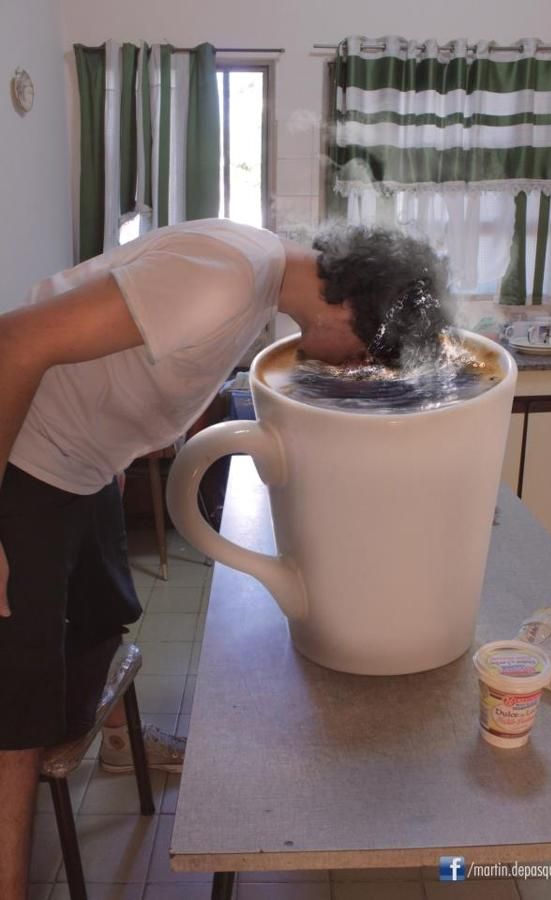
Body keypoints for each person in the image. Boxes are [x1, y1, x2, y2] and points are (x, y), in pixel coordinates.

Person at [0, 217, 446, 900]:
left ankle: (121, 743)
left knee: (102, 617)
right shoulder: (225, 277)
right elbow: (16, 340)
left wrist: (115, 451)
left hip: (82, 465)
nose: (358, 368)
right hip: (23, 469)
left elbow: (132, 356)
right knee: (19, 707)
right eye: (367, 355)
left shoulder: (258, 278)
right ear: (358, 305)